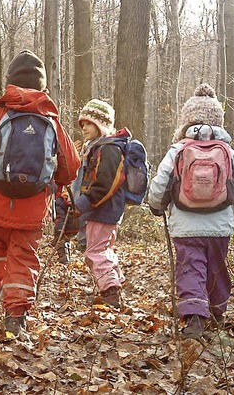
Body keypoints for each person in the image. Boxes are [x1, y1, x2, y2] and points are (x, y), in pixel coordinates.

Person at [0, 50, 80, 336]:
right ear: (42, 86)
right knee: (24, 256)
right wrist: (55, 184)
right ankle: (16, 314)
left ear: (10, 82)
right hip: (34, 206)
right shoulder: (51, 121)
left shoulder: (0, 115)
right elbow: (71, 167)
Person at [147, 84, 234, 340]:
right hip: (220, 227)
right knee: (216, 268)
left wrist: (156, 205)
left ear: (186, 121)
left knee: (190, 268)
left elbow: (160, 183)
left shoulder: (179, 149)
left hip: (185, 225)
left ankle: (195, 318)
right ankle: (217, 312)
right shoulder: (226, 150)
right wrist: (224, 196)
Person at [73, 99, 130, 309]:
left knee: (94, 252)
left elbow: (107, 182)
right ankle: (116, 282)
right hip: (105, 209)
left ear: (101, 125)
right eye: (82, 125)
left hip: (103, 209)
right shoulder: (97, 148)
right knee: (104, 248)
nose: (84, 128)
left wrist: (86, 201)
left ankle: (110, 291)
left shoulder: (109, 148)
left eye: (88, 124)